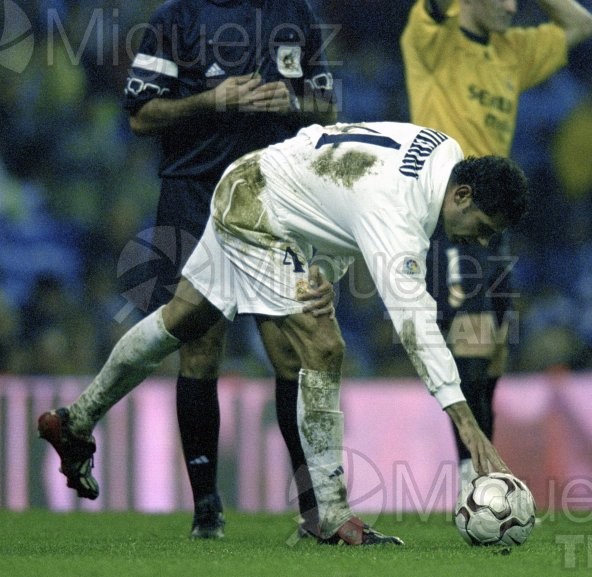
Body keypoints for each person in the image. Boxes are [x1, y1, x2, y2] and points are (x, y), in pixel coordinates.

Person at [38, 120, 530, 545]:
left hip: (257, 181)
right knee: (324, 345)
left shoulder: (445, 150)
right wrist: (467, 424)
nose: (482, 240)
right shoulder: (398, 212)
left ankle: (75, 420)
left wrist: (324, 267)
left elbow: (340, 185)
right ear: (461, 195)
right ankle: (332, 517)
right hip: (262, 215)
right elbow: (414, 323)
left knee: (180, 320)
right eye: (483, 226)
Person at [120, 0, 337, 538]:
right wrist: (210, 100)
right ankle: (207, 510)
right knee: (199, 346)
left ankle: (315, 511)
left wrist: (290, 99)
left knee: (294, 351)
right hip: (195, 199)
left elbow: (327, 104)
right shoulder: (177, 18)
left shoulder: (296, 13)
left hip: (275, 199)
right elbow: (142, 114)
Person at [400, 0, 592, 481]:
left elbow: (582, 23)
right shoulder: (432, 38)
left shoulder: (512, 51)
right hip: (450, 214)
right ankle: (475, 477)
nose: (511, 6)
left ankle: (479, 471)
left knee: (493, 353)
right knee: (471, 340)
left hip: (493, 224)